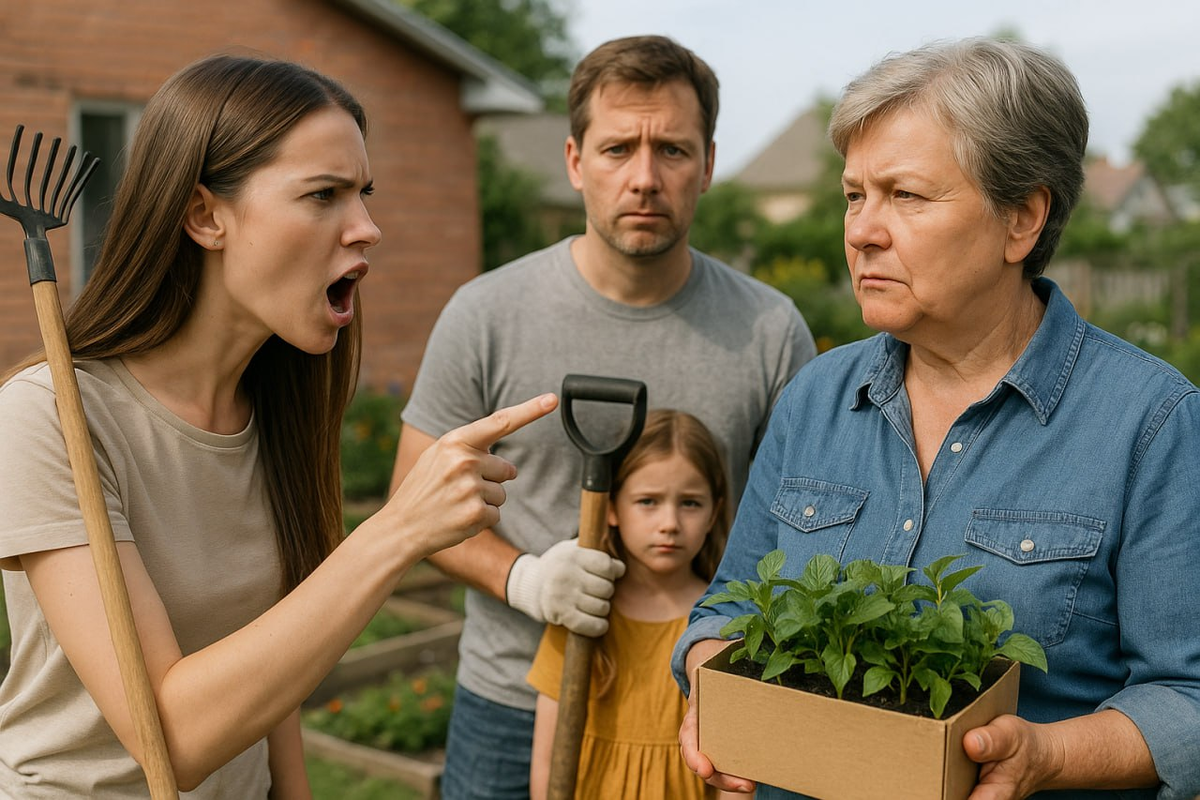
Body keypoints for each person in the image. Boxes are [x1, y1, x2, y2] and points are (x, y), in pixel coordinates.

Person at [0, 54, 556, 798]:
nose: (368, 228)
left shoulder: (277, 409)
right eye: (323, 195)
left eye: (363, 194)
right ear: (205, 215)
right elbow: (172, 737)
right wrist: (397, 531)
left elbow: (273, 675)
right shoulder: (52, 417)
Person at [673, 37, 1200, 800]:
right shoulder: (817, 396)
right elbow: (725, 604)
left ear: (1023, 217)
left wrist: (1048, 756)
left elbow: (1187, 697)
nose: (862, 231)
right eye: (855, 195)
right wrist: (715, 688)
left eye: (906, 196)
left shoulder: (1150, 423)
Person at [390, 34, 816, 799]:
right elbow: (409, 501)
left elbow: (797, 529)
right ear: (575, 161)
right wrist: (525, 579)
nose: (645, 178)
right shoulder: (487, 314)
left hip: (692, 712)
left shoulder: (769, 331)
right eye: (618, 148)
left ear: (709, 164)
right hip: (512, 703)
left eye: (674, 151)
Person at [526, 410, 733, 800]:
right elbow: (547, 758)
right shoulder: (583, 612)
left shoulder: (723, 622)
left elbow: (736, 772)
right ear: (612, 508)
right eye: (648, 501)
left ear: (714, 512)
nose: (669, 522)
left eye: (690, 503)